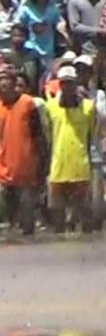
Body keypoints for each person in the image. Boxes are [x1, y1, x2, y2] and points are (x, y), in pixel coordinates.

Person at [45, 66, 97, 233]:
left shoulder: (88, 107)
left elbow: (92, 136)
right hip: (57, 167)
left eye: (70, 83)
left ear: (76, 84)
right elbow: (47, 136)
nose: (67, 87)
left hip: (80, 167)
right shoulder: (50, 107)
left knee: (84, 216)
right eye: (64, 83)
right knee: (57, 217)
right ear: (59, 85)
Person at [0, 66, 44, 235]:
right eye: (0, 80)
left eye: (5, 79)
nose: (2, 83)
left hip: (26, 172)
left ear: (14, 83)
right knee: (7, 221)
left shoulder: (27, 103)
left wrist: (41, 166)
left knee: (27, 224)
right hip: (3, 173)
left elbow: (39, 136)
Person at [17, 0, 60, 71]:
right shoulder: (26, 9)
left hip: (48, 49)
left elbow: (57, 26)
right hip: (30, 48)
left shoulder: (53, 10)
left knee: (47, 75)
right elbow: (19, 27)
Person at [3, 23, 39, 89]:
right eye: (15, 36)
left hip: (30, 89)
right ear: (11, 37)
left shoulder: (33, 55)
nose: (18, 39)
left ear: (27, 37)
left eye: (21, 36)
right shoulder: (6, 55)